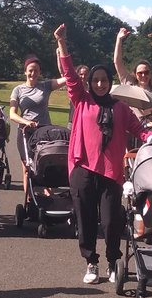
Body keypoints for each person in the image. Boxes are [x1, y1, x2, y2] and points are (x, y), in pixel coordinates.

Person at [55, 24, 143, 284]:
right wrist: (62, 44)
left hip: (111, 172)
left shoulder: (121, 108)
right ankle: (91, 262)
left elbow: (139, 130)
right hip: (83, 168)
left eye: (104, 80)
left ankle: (112, 261)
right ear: (90, 82)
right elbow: (70, 75)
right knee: (86, 218)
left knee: (111, 220)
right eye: (96, 80)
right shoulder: (81, 100)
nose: (101, 84)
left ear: (110, 82)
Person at [9, 54, 67, 191]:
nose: (33, 73)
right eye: (30, 70)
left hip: (45, 132)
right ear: (25, 71)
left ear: (40, 72)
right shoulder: (18, 90)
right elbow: (12, 114)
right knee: (27, 167)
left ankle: (49, 195)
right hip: (26, 131)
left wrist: (59, 55)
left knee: (46, 165)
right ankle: (28, 199)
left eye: (36, 70)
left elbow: (67, 78)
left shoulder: (45, 86)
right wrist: (26, 122)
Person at [113, 27, 152, 123]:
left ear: (150, 73)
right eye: (140, 73)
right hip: (126, 126)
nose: (143, 75)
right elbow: (117, 62)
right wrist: (119, 39)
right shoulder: (129, 83)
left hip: (144, 129)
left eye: (146, 72)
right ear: (135, 74)